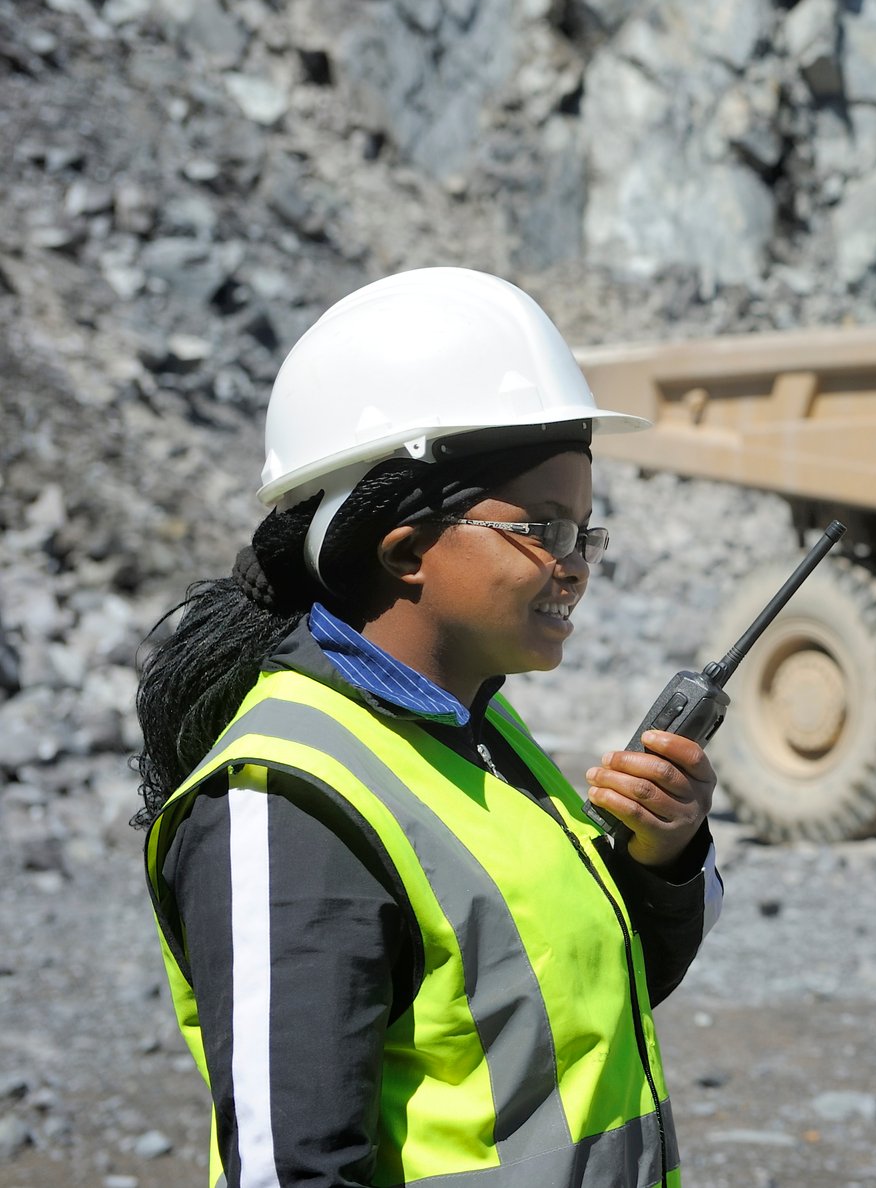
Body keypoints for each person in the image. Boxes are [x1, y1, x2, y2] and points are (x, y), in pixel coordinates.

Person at [135, 268, 719, 1187]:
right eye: (545, 530)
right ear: (406, 550)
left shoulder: (481, 732)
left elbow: (590, 1000)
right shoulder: (285, 800)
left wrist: (663, 857)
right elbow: (295, 1170)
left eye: (586, 532)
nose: (576, 566)